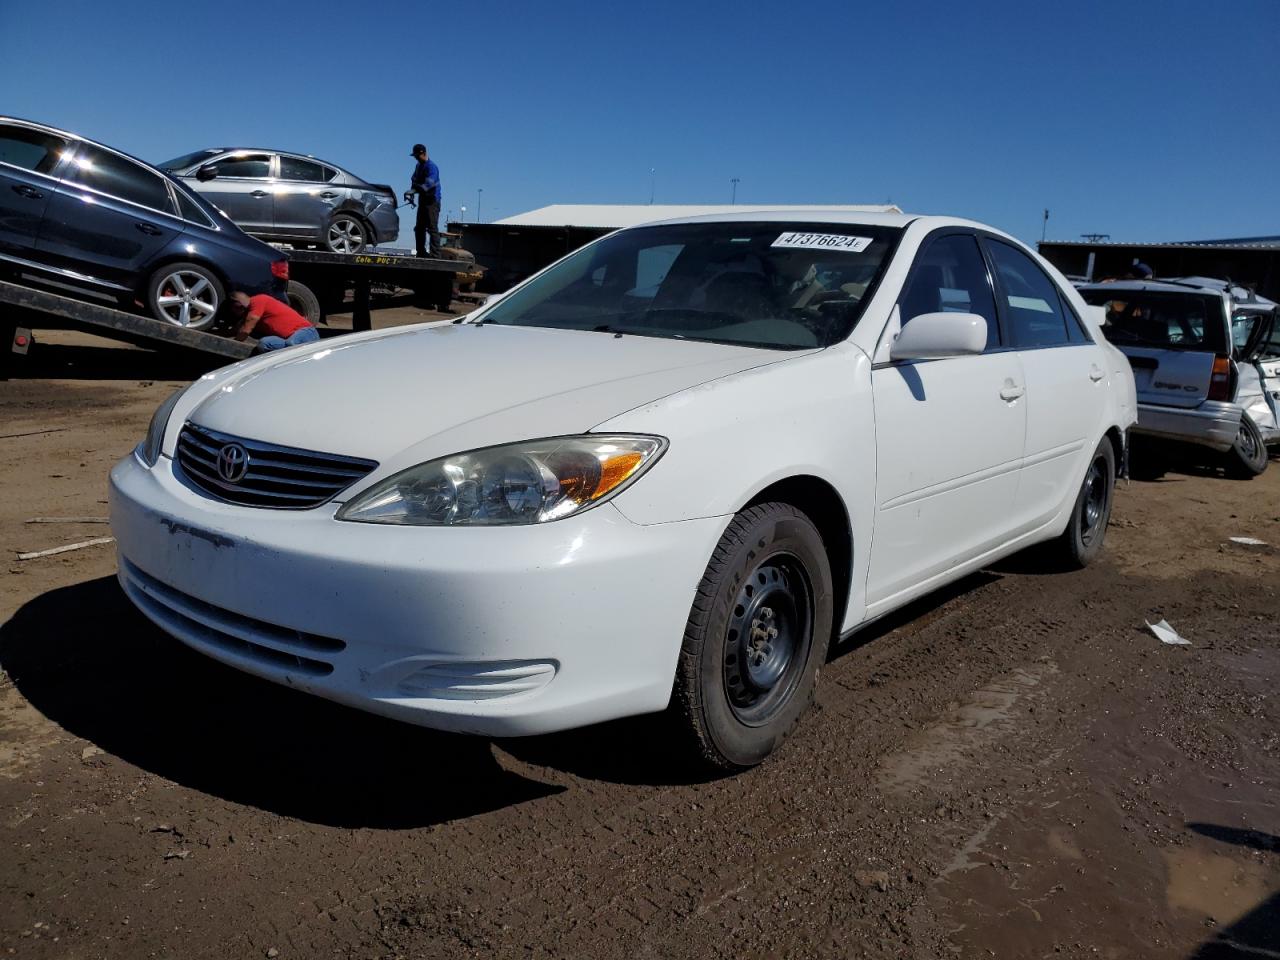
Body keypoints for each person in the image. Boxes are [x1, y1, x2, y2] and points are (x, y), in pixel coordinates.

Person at [227, 291, 319, 352]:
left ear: (238, 304)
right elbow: (236, 330)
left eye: (233, 309)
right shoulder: (250, 314)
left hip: (306, 332)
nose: (234, 313)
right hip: (286, 339)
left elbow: (245, 331)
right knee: (264, 343)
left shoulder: (258, 300)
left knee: (291, 344)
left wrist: (232, 345)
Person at [407, 143, 441, 258]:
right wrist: (412, 193)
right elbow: (414, 179)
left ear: (424, 153)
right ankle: (421, 252)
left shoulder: (432, 167)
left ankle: (435, 255)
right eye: (415, 156)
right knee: (419, 227)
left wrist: (415, 191)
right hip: (423, 200)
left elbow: (429, 184)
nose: (416, 158)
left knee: (432, 228)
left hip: (432, 201)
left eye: (417, 156)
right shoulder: (418, 166)